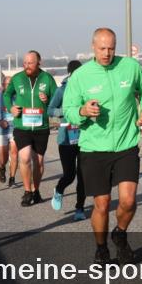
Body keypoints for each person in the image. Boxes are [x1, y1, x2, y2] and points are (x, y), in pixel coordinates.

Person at [63, 28, 142, 265]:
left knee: (128, 200)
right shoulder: (81, 76)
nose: (107, 53)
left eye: (111, 48)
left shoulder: (130, 67)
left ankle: (120, 233)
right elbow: (69, 111)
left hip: (125, 144)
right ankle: (101, 247)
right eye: (102, 48)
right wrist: (83, 111)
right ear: (93, 47)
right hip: (94, 148)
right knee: (102, 204)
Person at [5, 51, 58, 206]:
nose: (26, 66)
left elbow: (57, 100)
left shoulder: (47, 79)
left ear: (38, 62)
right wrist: (11, 108)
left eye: (30, 63)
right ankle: (27, 192)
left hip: (41, 127)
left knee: (39, 162)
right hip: (22, 125)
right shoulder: (17, 78)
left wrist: (48, 101)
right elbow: (7, 95)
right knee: (25, 157)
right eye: (25, 63)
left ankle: (36, 190)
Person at [49, 60, 86, 221]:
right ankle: (59, 189)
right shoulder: (61, 90)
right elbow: (49, 110)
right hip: (66, 138)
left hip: (85, 137)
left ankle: (80, 208)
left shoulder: (87, 89)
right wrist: (66, 111)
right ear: (70, 74)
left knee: (83, 175)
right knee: (70, 175)